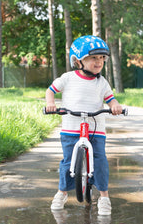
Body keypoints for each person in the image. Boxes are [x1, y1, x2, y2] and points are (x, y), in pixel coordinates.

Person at [45, 35, 123, 216]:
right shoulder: (68, 78)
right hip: (71, 127)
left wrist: (114, 106)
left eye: (102, 58)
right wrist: (51, 104)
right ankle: (62, 192)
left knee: (100, 160)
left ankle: (104, 196)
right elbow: (51, 90)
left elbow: (110, 99)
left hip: (96, 129)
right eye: (94, 58)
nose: (99, 62)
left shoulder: (101, 82)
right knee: (66, 162)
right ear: (78, 60)